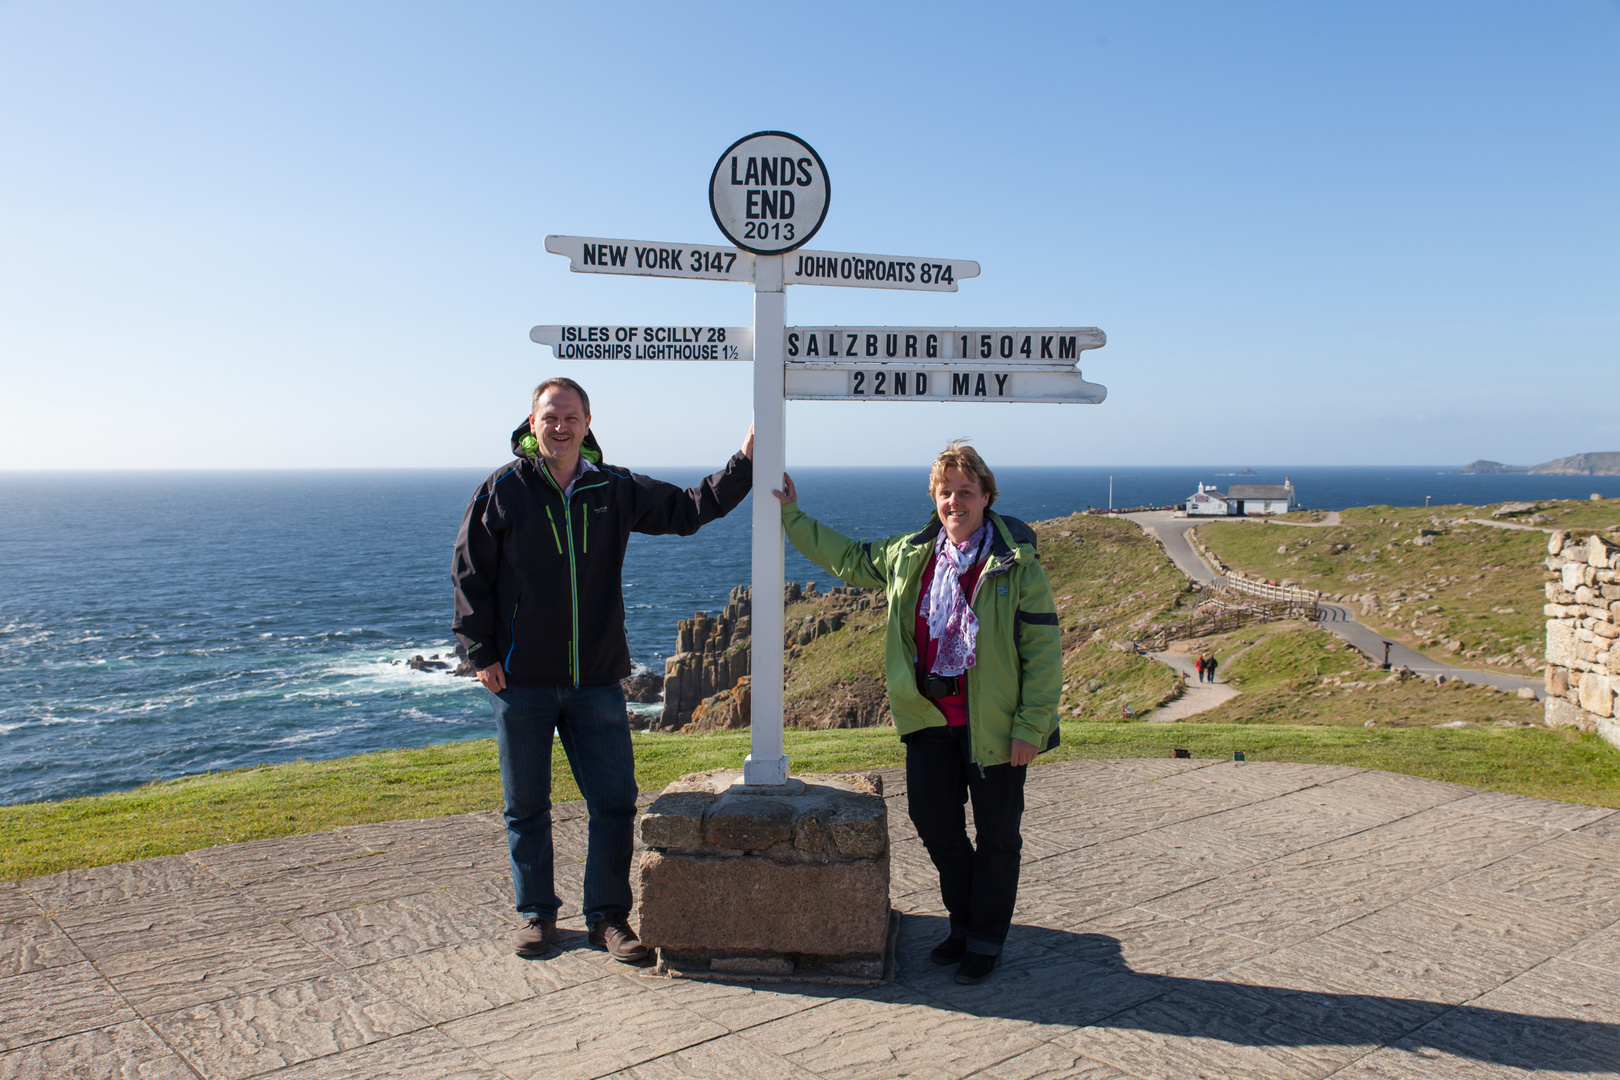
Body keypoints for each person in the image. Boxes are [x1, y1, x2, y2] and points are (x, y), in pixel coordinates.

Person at [453, 378, 753, 962]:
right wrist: (480, 654)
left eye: (570, 416)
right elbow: (470, 574)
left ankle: (608, 918)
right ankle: (536, 914)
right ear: (531, 423)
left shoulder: (613, 488)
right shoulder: (502, 491)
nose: (559, 426)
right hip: (520, 679)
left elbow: (689, 509)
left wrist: (743, 463)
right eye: (549, 417)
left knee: (614, 802)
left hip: (595, 679)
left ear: (588, 422)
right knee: (526, 804)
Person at [771, 441, 1061, 985]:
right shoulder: (912, 554)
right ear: (934, 497)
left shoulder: (1018, 564)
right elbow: (851, 558)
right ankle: (967, 919)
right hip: (930, 721)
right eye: (946, 492)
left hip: (996, 728)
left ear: (987, 496)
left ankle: (984, 939)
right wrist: (792, 514)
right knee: (935, 825)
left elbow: (1043, 653)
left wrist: (1032, 726)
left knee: (998, 837)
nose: (956, 502)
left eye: (966, 492)